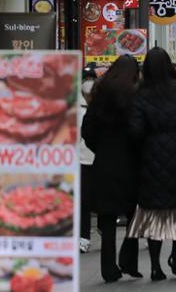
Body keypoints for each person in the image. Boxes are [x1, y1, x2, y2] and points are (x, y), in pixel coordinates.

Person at [127, 47, 176, 281]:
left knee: (155, 215)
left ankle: (155, 266)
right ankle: (175, 256)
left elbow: (136, 131)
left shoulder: (141, 94)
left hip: (152, 159)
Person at [81, 55, 141, 282]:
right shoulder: (135, 94)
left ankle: (108, 268)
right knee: (133, 214)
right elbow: (139, 128)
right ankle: (129, 260)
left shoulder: (99, 96)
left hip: (105, 162)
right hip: (131, 163)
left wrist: (101, 148)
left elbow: (88, 130)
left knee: (106, 219)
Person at [79, 63, 96, 254]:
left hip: (100, 158)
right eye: (86, 80)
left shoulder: (103, 106)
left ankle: (101, 225)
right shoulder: (74, 107)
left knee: (99, 197)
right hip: (81, 160)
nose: (88, 84)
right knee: (83, 200)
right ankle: (84, 236)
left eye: (91, 80)